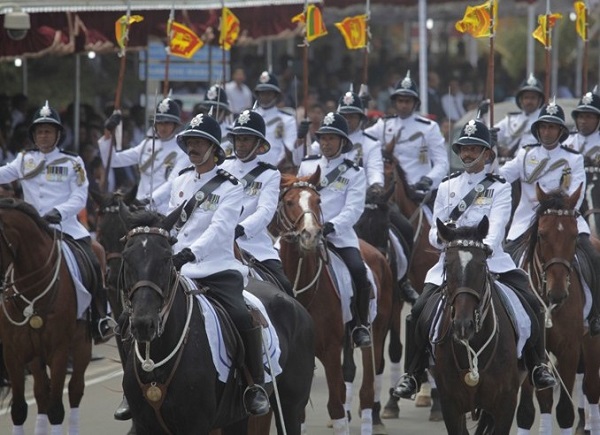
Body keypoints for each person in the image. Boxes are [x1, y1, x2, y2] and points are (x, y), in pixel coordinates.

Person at [393, 119, 557, 399]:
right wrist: (444, 240)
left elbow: (497, 225)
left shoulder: (500, 187)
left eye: (474, 148)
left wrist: (486, 248)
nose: (467, 154)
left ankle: (536, 364)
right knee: (417, 311)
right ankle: (414, 373)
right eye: (464, 148)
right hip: (453, 262)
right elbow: (436, 229)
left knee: (531, 304)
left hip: (490, 261)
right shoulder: (447, 186)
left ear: (487, 154)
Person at [168, 112, 270, 416]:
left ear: (215, 149)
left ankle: (254, 385)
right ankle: (134, 385)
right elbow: (172, 224)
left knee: (241, 314)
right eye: (190, 141)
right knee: (140, 312)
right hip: (178, 267)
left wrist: (189, 253)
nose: (193, 147)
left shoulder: (231, 186)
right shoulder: (181, 180)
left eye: (200, 142)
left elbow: (220, 229)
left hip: (216, 269)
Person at [0, 101, 113, 344]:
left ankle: (99, 318)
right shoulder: (24, 160)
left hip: (64, 227)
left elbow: (80, 196)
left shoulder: (73, 162)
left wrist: (58, 213)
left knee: (96, 256)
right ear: (33, 134)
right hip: (30, 228)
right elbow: (2, 173)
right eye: (39, 131)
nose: (43, 135)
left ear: (57, 134)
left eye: (48, 131)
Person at [500, 100, 600, 336]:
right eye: (543, 127)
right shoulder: (525, 154)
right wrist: (491, 159)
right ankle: (504, 315)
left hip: (565, 219)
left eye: (552, 127)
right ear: (537, 130)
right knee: (502, 263)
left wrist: (552, 204)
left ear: (561, 131)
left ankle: (595, 315)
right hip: (526, 222)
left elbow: (576, 188)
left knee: (594, 257)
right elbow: (502, 177)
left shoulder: (573, 159)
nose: (547, 131)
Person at [319, 88, 419, 303]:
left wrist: (375, 186)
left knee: (405, 227)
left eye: (352, 116)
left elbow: (374, 168)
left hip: (366, 199)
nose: (348, 120)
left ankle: (403, 280)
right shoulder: (323, 140)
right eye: (344, 115)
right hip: (329, 205)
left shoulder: (370, 142)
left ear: (360, 117)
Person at [297, 112, 372, 348]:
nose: (326, 143)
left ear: (342, 141)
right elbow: (297, 198)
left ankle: (359, 324)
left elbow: (354, 209)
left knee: (359, 271)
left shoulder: (354, 172)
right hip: (304, 230)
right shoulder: (307, 165)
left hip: (337, 236)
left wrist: (329, 226)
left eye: (332, 138)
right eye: (323, 138)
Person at [221, 109, 293, 295]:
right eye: (238, 138)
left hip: (253, 245)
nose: (241, 144)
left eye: (246, 139)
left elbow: (265, 211)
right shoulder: (220, 168)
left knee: (285, 288)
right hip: (217, 240)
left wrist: (241, 229)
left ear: (258, 143)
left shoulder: (269, 174)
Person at [365, 70, 448, 207]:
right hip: (388, 191)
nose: (403, 105)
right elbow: (361, 139)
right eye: (400, 101)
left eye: (408, 101)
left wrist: (429, 179)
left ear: (415, 103)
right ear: (395, 102)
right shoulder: (384, 125)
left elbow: (442, 162)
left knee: (437, 225)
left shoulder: (429, 127)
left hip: (418, 191)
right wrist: (361, 113)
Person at [98, 97, 187, 210]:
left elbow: (172, 183)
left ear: (175, 125)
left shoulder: (182, 149)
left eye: (167, 123)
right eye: (160, 123)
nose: (163, 127)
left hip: (164, 208)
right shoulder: (146, 145)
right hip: (139, 206)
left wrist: (149, 200)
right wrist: (107, 134)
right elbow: (113, 161)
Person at [252, 71, 302, 168]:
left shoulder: (288, 119)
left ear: (275, 95)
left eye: (268, 93)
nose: (265, 96)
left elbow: (289, 147)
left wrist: (274, 168)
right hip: (251, 168)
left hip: (277, 168)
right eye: (262, 93)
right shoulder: (250, 116)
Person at [494, 73, 545, 160]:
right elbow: (491, 134)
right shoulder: (510, 120)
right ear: (520, 100)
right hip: (508, 164)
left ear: (539, 100)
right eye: (526, 98)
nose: (529, 101)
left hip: (535, 164)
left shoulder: (544, 122)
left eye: (533, 98)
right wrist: (499, 149)